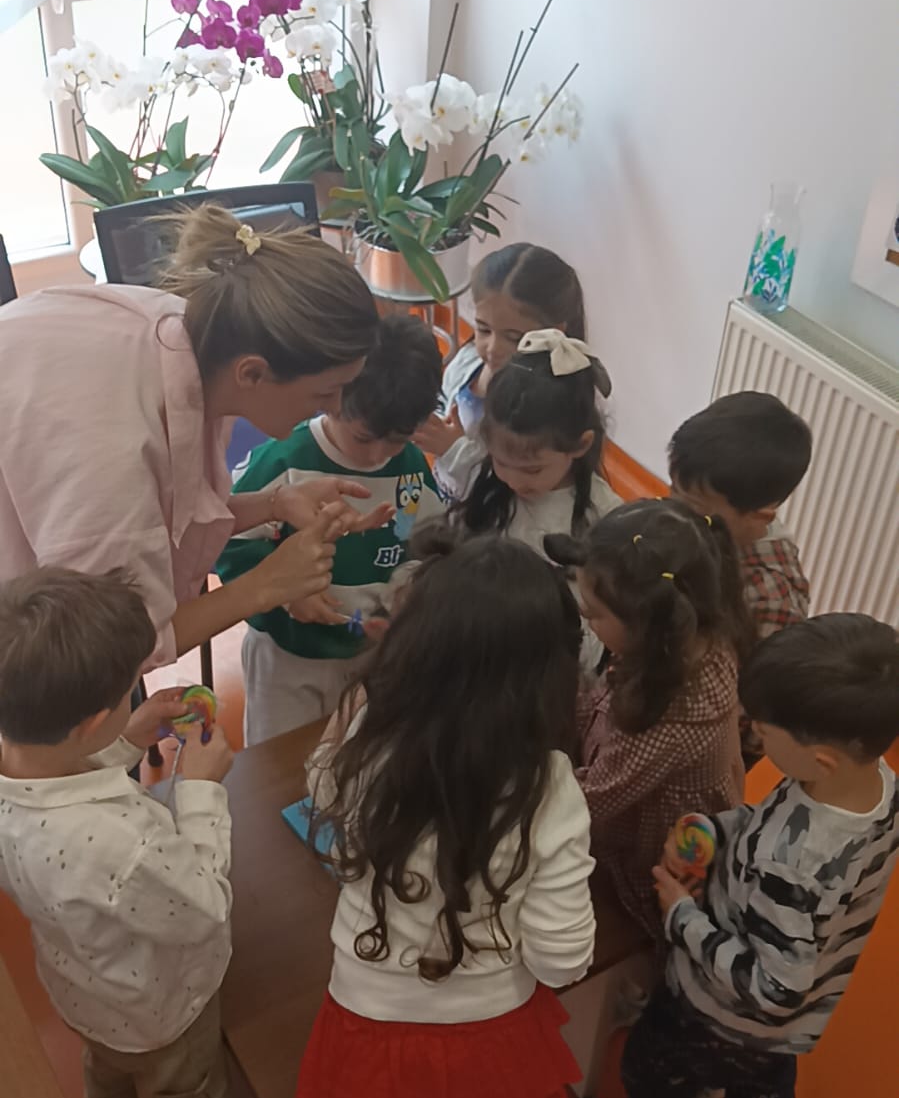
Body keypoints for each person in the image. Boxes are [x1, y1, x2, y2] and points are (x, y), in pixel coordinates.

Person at [290, 539, 596, 1098]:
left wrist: (350, 717)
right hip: (492, 1031)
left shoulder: (367, 739)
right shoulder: (550, 784)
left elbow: (322, 799)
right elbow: (563, 958)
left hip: (375, 1028)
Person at [572, 614, 899, 1098]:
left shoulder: (792, 866)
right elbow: (772, 823)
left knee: (654, 1065)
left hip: (719, 1008)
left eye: (764, 732)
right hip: (782, 1033)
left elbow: (775, 988)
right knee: (764, 1088)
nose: (752, 733)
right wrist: (718, 829)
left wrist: (682, 917)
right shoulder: (873, 786)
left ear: (821, 757)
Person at [0, 204, 388, 665]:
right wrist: (266, 584)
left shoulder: (195, 335)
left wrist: (274, 503)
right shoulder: (112, 454)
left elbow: (166, 517)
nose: (336, 408)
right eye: (326, 391)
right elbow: (109, 651)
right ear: (252, 373)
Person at [0, 566, 260, 1098]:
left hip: (83, 990)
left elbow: (59, 769)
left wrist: (126, 738)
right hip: (162, 1010)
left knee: (108, 1074)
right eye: (127, 693)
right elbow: (203, 904)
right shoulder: (122, 844)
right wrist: (200, 788)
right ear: (90, 720)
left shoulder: (18, 768)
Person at [216, 315, 445, 743]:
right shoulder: (284, 459)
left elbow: (425, 545)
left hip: (369, 656)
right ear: (332, 398)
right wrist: (286, 594)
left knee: (354, 753)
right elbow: (226, 545)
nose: (377, 455)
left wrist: (409, 595)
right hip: (287, 657)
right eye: (363, 438)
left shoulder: (412, 469)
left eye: (397, 440)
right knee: (278, 761)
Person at [547, 498, 750, 946]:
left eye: (595, 613)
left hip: (657, 850)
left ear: (648, 624)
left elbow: (591, 800)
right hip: (648, 795)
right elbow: (602, 703)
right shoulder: (695, 639)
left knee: (646, 933)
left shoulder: (670, 716)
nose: (586, 618)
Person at [458, 328, 618, 667]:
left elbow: (601, 619)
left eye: (532, 470)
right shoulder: (485, 484)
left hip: (554, 660)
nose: (514, 480)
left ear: (581, 445)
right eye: (501, 462)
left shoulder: (604, 516)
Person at [668, 393, 813, 760]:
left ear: (760, 516)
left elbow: (753, 722)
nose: (674, 513)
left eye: (692, 507)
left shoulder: (770, 597)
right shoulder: (706, 532)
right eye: (672, 491)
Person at [418, 243, 609, 503]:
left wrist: (454, 450)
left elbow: (518, 488)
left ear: (554, 333)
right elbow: (444, 404)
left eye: (514, 337)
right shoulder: (467, 363)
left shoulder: (549, 406)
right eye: (484, 330)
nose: (492, 349)